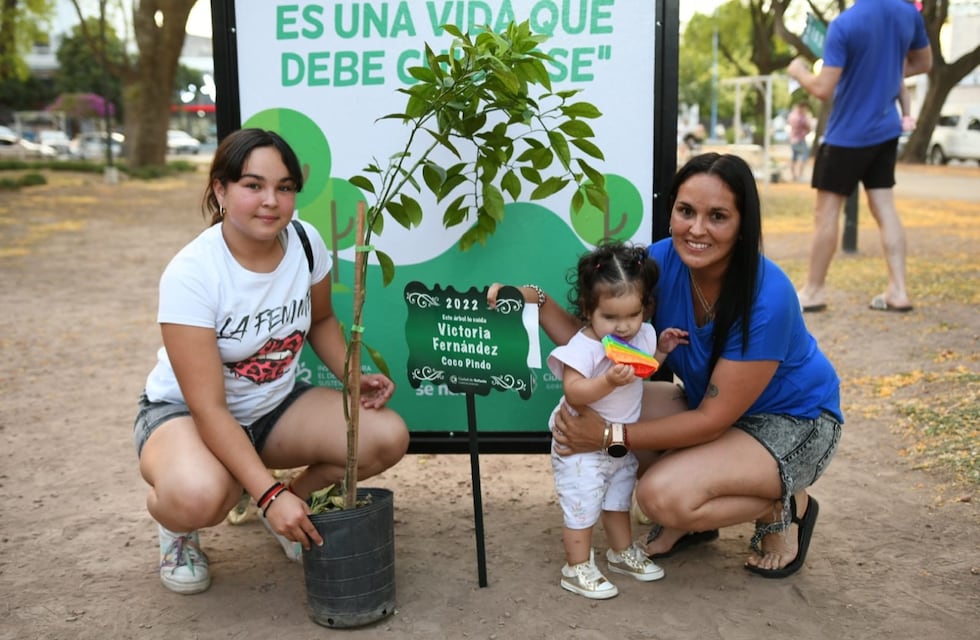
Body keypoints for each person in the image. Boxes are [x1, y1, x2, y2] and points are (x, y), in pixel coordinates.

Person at [490, 152, 843, 579]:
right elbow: (595, 346)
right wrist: (537, 300)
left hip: (793, 422)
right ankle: (697, 522)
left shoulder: (767, 297)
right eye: (685, 211)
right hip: (710, 408)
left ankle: (783, 504)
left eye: (717, 216)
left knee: (658, 497)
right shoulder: (659, 265)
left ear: (743, 224)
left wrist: (606, 437)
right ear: (671, 210)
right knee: (608, 401)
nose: (696, 229)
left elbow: (712, 421)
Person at [133, 128, 410, 594]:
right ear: (220, 190)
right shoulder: (194, 273)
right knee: (200, 494)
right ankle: (178, 529)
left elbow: (321, 320)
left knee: (385, 437)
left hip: (271, 408)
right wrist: (269, 489)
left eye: (284, 188)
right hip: (187, 417)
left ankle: (287, 508)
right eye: (253, 185)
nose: (271, 201)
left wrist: (350, 376)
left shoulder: (304, 242)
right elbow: (209, 408)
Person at [544, 240, 688, 599]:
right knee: (582, 505)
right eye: (611, 317)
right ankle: (575, 567)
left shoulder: (639, 335)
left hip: (619, 442)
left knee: (617, 501)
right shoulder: (584, 346)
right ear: (588, 309)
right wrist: (606, 379)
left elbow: (641, 369)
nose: (623, 327)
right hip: (580, 446)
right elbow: (574, 390)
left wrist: (660, 352)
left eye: (633, 315)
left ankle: (621, 553)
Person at [787, 0, 931, 313]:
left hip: (846, 136)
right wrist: (888, 70)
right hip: (885, 131)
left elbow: (824, 88)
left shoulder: (845, 24)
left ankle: (812, 291)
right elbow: (923, 63)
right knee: (884, 208)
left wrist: (799, 72)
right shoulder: (908, 14)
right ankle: (899, 290)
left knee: (825, 214)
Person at [787, 100, 813, 182]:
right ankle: (800, 175)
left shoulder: (792, 115)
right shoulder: (801, 117)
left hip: (792, 140)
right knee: (804, 156)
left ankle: (794, 175)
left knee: (794, 157)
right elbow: (809, 127)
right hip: (800, 140)